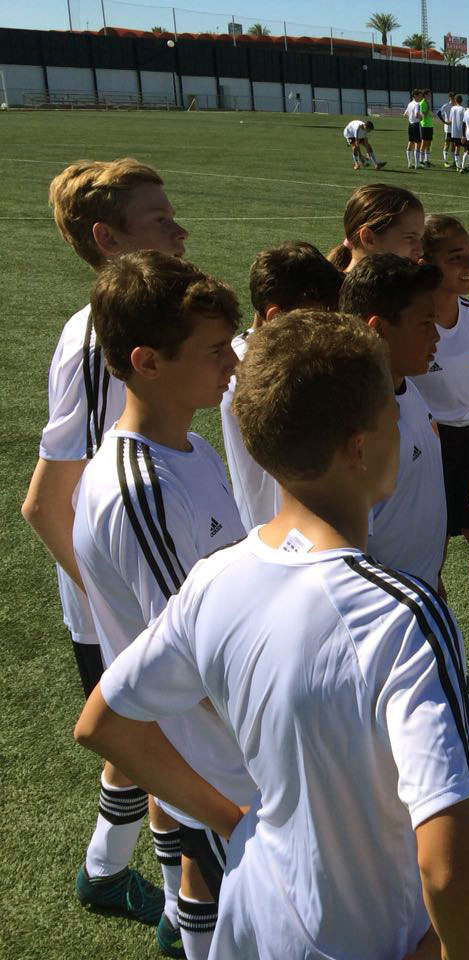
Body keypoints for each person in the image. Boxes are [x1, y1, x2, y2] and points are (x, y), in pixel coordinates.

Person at [74, 309, 469, 960]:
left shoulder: (215, 579)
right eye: (392, 416)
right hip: (365, 939)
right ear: (359, 446)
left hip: (252, 925)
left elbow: (103, 723)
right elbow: (450, 867)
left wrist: (233, 823)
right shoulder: (403, 615)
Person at [72, 251, 256, 959]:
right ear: (147, 362)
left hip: (230, 749)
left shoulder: (191, 449)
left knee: (212, 905)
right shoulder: (140, 490)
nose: (232, 364)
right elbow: (190, 657)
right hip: (219, 761)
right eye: (215, 351)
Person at [23, 158, 185, 937]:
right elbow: (46, 501)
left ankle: (104, 871)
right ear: (108, 239)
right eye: (160, 220)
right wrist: (111, 605)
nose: (180, 232)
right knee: (167, 747)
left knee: (145, 739)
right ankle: (184, 910)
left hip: (134, 583)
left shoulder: (138, 325)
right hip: (117, 596)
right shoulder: (99, 341)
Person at [339, 254, 448, 592]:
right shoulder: (353, 425)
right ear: (378, 329)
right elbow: (343, 551)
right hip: (384, 609)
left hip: (421, 593)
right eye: (425, 324)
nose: (437, 336)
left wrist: (435, 574)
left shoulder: (410, 390)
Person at [220, 241, 343, 530]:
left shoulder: (249, 351)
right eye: (317, 316)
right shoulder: (250, 370)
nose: (325, 325)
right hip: (280, 527)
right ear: (275, 316)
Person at [410, 216, 469, 612]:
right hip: (431, 448)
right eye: (455, 257)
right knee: (428, 566)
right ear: (426, 264)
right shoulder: (414, 326)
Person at [327, 183, 424, 272]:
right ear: (368, 238)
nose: (420, 251)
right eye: (410, 237)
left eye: (420, 238)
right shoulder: (337, 286)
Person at [403, 88, 423, 169]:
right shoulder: (417, 104)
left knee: (410, 143)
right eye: (419, 95)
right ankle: (417, 165)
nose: (420, 97)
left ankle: (409, 163)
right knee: (417, 144)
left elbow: (405, 114)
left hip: (410, 125)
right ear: (415, 95)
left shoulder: (410, 104)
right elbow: (416, 115)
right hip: (416, 125)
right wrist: (421, 117)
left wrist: (411, 117)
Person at [448, 94, 466, 170]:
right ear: (461, 101)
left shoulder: (452, 109)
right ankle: (463, 165)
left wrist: (445, 123)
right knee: (466, 149)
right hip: (462, 133)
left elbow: (450, 120)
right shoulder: (463, 109)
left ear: (455, 100)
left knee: (457, 148)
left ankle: (458, 166)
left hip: (454, 132)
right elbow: (465, 121)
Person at [418, 88, 434, 167]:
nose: (430, 96)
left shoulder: (427, 103)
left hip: (430, 125)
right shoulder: (422, 103)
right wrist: (428, 108)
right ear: (425, 95)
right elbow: (424, 115)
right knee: (424, 143)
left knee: (429, 143)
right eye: (429, 95)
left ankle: (426, 160)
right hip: (424, 125)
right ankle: (421, 161)